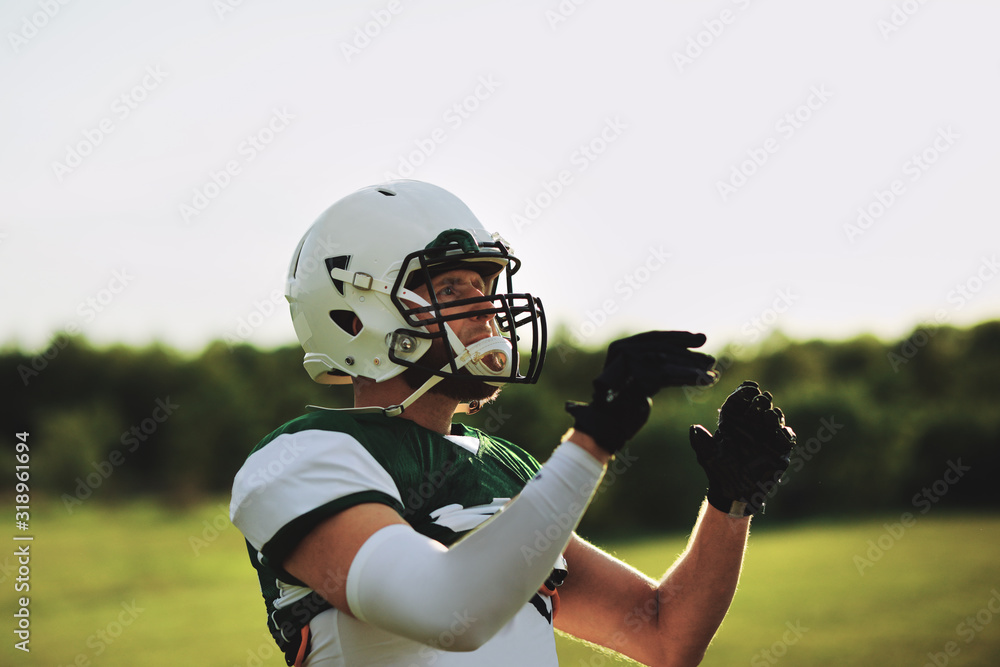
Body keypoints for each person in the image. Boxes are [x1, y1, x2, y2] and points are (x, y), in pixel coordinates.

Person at [229, 180, 796, 666]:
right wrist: (593, 442)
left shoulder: (502, 466)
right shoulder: (300, 457)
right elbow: (450, 612)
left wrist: (730, 503)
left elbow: (663, 632)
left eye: (483, 286)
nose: (484, 308)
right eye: (450, 287)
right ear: (355, 316)